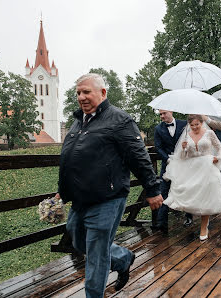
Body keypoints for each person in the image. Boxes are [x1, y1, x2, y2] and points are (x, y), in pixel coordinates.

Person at [56, 73, 163, 297]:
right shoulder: (78, 122)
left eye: (86, 92)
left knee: (96, 254)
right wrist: (62, 191)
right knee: (77, 238)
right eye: (78, 93)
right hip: (81, 198)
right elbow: (70, 158)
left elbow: (139, 157)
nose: (81, 97)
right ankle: (122, 258)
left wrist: (152, 190)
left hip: (108, 198)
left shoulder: (119, 120)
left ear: (103, 93)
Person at [163, 114, 221, 241]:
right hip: (192, 168)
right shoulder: (187, 135)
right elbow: (183, 157)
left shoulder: (209, 133)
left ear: (201, 123)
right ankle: (193, 218)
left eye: (197, 124)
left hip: (208, 166)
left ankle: (204, 226)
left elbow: (220, 147)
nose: (194, 127)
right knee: (194, 196)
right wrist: (183, 149)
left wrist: (218, 158)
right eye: (192, 125)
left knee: (206, 197)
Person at [154, 110, 193, 234]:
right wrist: (167, 159)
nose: (162, 116)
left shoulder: (184, 125)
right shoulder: (158, 129)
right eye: (160, 114)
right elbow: (158, 147)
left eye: (164, 113)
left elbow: (191, 141)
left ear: (170, 111)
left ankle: (189, 216)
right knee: (163, 191)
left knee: (186, 189)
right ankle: (161, 223)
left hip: (183, 163)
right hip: (168, 164)